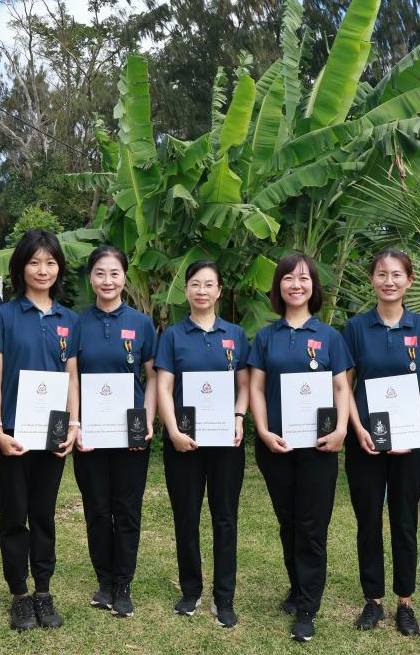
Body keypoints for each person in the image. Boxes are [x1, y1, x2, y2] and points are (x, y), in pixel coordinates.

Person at [248, 253, 353, 642]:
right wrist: (262, 430)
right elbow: (256, 387)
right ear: (278, 286)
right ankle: (296, 587)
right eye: (289, 278)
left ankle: (308, 607)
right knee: (288, 521)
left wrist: (341, 429)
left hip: (319, 446)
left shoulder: (329, 337)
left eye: (304, 278)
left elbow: (341, 387)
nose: (296, 284)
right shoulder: (266, 337)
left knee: (312, 526)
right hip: (276, 444)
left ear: (314, 287)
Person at [342, 249, 420, 635]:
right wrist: (357, 428)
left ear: (409, 280)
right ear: (372, 280)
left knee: (404, 521)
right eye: (382, 274)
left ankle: (405, 602)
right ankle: (373, 601)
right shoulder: (356, 328)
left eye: (397, 274)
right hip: (365, 442)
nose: (389, 281)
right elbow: (345, 386)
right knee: (368, 520)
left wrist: (415, 429)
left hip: (408, 444)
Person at [0, 230, 79, 631]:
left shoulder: (69, 319)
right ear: (20, 267)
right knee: (13, 515)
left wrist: (73, 424)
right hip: (11, 432)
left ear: (59, 268)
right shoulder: (3, 314)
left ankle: (43, 590)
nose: (43, 270)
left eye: (50, 262)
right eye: (34, 262)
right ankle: (19, 595)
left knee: (43, 513)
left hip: (52, 433)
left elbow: (71, 377)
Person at [155, 260, 250, 629]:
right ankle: (190, 590)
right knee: (186, 516)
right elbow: (164, 388)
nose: (202, 291)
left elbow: (244, 385)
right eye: (195, 284)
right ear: (186, 290)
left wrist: (239, 417)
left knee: (225, 518)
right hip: (184, 442)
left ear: (219, 291)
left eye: (209, 284)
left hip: (226, 442)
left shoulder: (235, 335)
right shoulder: (172, 336)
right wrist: (173, 431)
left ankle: (224, 597)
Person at [70, 246, 157, 618]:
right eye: (100, 273)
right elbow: (72, 379)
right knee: (97, 509)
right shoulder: (76, 324)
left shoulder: (141, 323)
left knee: (127, 510)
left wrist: (146, 421)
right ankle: (104, 581)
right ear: (91, 277)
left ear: (125, 277)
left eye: (115, 273)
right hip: (89, 434)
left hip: (129, 435)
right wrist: (75, 424)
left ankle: (123, 584)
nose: (108, 281)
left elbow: (153, 377)